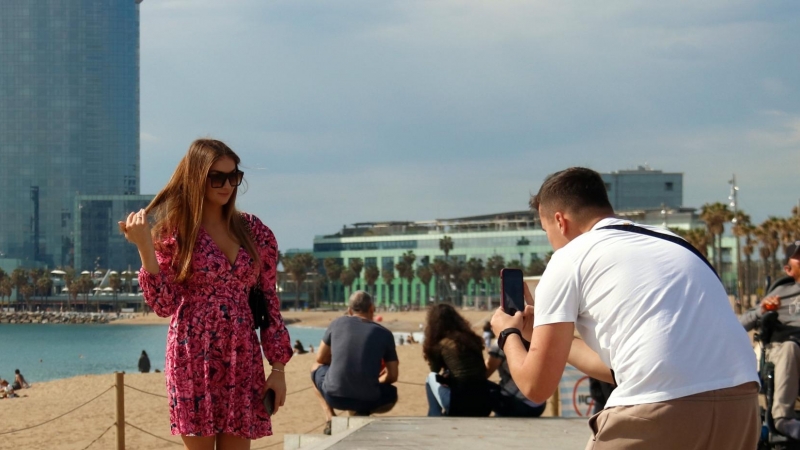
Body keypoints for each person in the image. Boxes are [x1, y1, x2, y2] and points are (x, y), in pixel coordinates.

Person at [491, 167, 760, 450]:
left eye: (546, 231)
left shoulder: (569, 258)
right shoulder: (674, 241)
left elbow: (536, 387)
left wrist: (507, 333)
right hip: (741, 405)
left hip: (658, 410)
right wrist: (547, 340)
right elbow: (622, 370)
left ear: (560, 221)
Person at [120, 139, 292, 449]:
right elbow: (164, 304)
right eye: (217, 177)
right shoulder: (176, 232)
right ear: (197, 178)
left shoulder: (256, 232)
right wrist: (145, 247)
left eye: (233, 176)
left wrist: (277, 367)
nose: (227, 185)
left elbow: (269, 301)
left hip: (242, 355)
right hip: (192, 354)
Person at [311, 291, 398, 435]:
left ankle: (330, 417)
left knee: (314, 368)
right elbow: (393, 375)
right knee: (391, 394)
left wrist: (337, 365)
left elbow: (320, 359)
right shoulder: (385, 334)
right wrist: (376, 381)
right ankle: (361, 411)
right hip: (369, 399)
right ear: (372, 308)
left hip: (335, 397)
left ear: (350, 310)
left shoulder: (337, 323)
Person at [740, 241, 800, 439]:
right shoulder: (780, 293)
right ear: (789, 270)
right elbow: (740, 325)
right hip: (786, 346)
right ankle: (783, 419)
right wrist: (763, 309)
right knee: (791, 348)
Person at [424, 303, 491, 417]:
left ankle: (434, 417)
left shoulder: (441, 344)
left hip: (458, 405)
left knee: (430, 378)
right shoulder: (471, 339)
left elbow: (434, 370)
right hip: (484, 404)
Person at [485, 343, 545, 417]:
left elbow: (484, 373)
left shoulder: (501, 343)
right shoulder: (535, 341)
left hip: (517, 404)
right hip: (538, 405)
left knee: (476, 385)